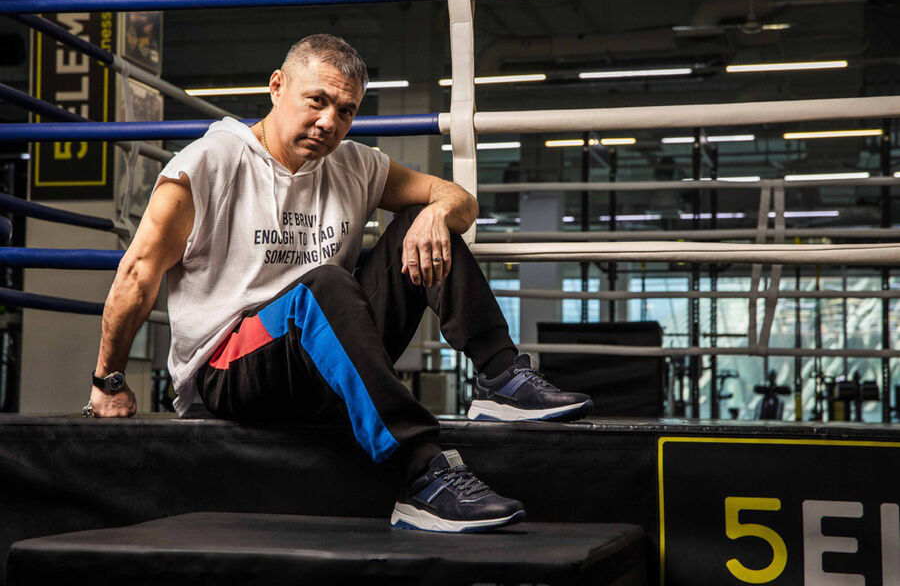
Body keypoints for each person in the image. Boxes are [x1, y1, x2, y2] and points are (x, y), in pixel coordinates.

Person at [85, 34, 593, 533]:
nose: (330, 122)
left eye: (346, 111)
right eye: (317, 101)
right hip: (232, 370)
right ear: (277, 86)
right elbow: (137, 273)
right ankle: (423, 474)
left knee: (420, 224)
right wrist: (108, 380)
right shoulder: (210, 162)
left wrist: (436, 214)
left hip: (323, 356)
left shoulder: (354, 164)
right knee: (323, 286)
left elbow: (459, 198)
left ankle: (500, 377)